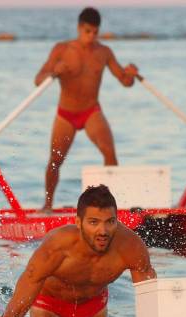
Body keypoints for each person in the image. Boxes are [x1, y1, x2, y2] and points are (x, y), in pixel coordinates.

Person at [0, 185, 156, 317]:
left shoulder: (131, 247)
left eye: (110, 222)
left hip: (92, 308)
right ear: (78, 222)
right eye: (93, 222)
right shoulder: (56, 248)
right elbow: (12, 314)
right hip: (49, 305)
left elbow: (150, 308)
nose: (103, 231)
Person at [34, 7, 139, 212]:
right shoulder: (62, 49)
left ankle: (110, 208)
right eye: (87, 31)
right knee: (55, 160)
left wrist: (132, 73)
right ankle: (47, 205)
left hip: (91, 111)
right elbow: (38, 80)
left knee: (110, 154)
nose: (91, 37)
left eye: (95, 32)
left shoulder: (104, 52)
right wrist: (54, 72)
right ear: (79, 28)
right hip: (65, 115)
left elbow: (125, 82)